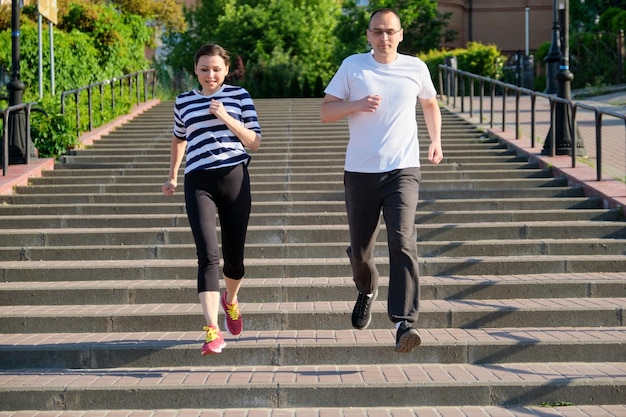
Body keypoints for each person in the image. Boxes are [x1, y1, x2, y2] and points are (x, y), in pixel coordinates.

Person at [320, 8, 443, 353]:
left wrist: (435, 141)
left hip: (403, 168)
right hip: (360, 171)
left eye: (390, 32)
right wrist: (356, 104)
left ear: (401, 34)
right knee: (360, 252)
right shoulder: (353, 66)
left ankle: (405, 322)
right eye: (377, 32)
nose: (384, 38)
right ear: (368, 35)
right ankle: (366, 288)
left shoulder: (415, 67)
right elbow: (326, 111)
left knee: (403, 239)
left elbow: (430, 104)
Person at [162, 43, 262, 355]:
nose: (210, 74)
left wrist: (225, 117)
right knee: (207, 255)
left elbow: (255, 142)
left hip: (234, 175)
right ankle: (212, 331)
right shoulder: (184, 101)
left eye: (216, 69)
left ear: (225, 70)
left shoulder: (240, 96)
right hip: (198, 180)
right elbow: (179, 139)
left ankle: (230, 300)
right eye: (204, 69)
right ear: (196, 70)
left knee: (234, 259)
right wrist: (173, 175)